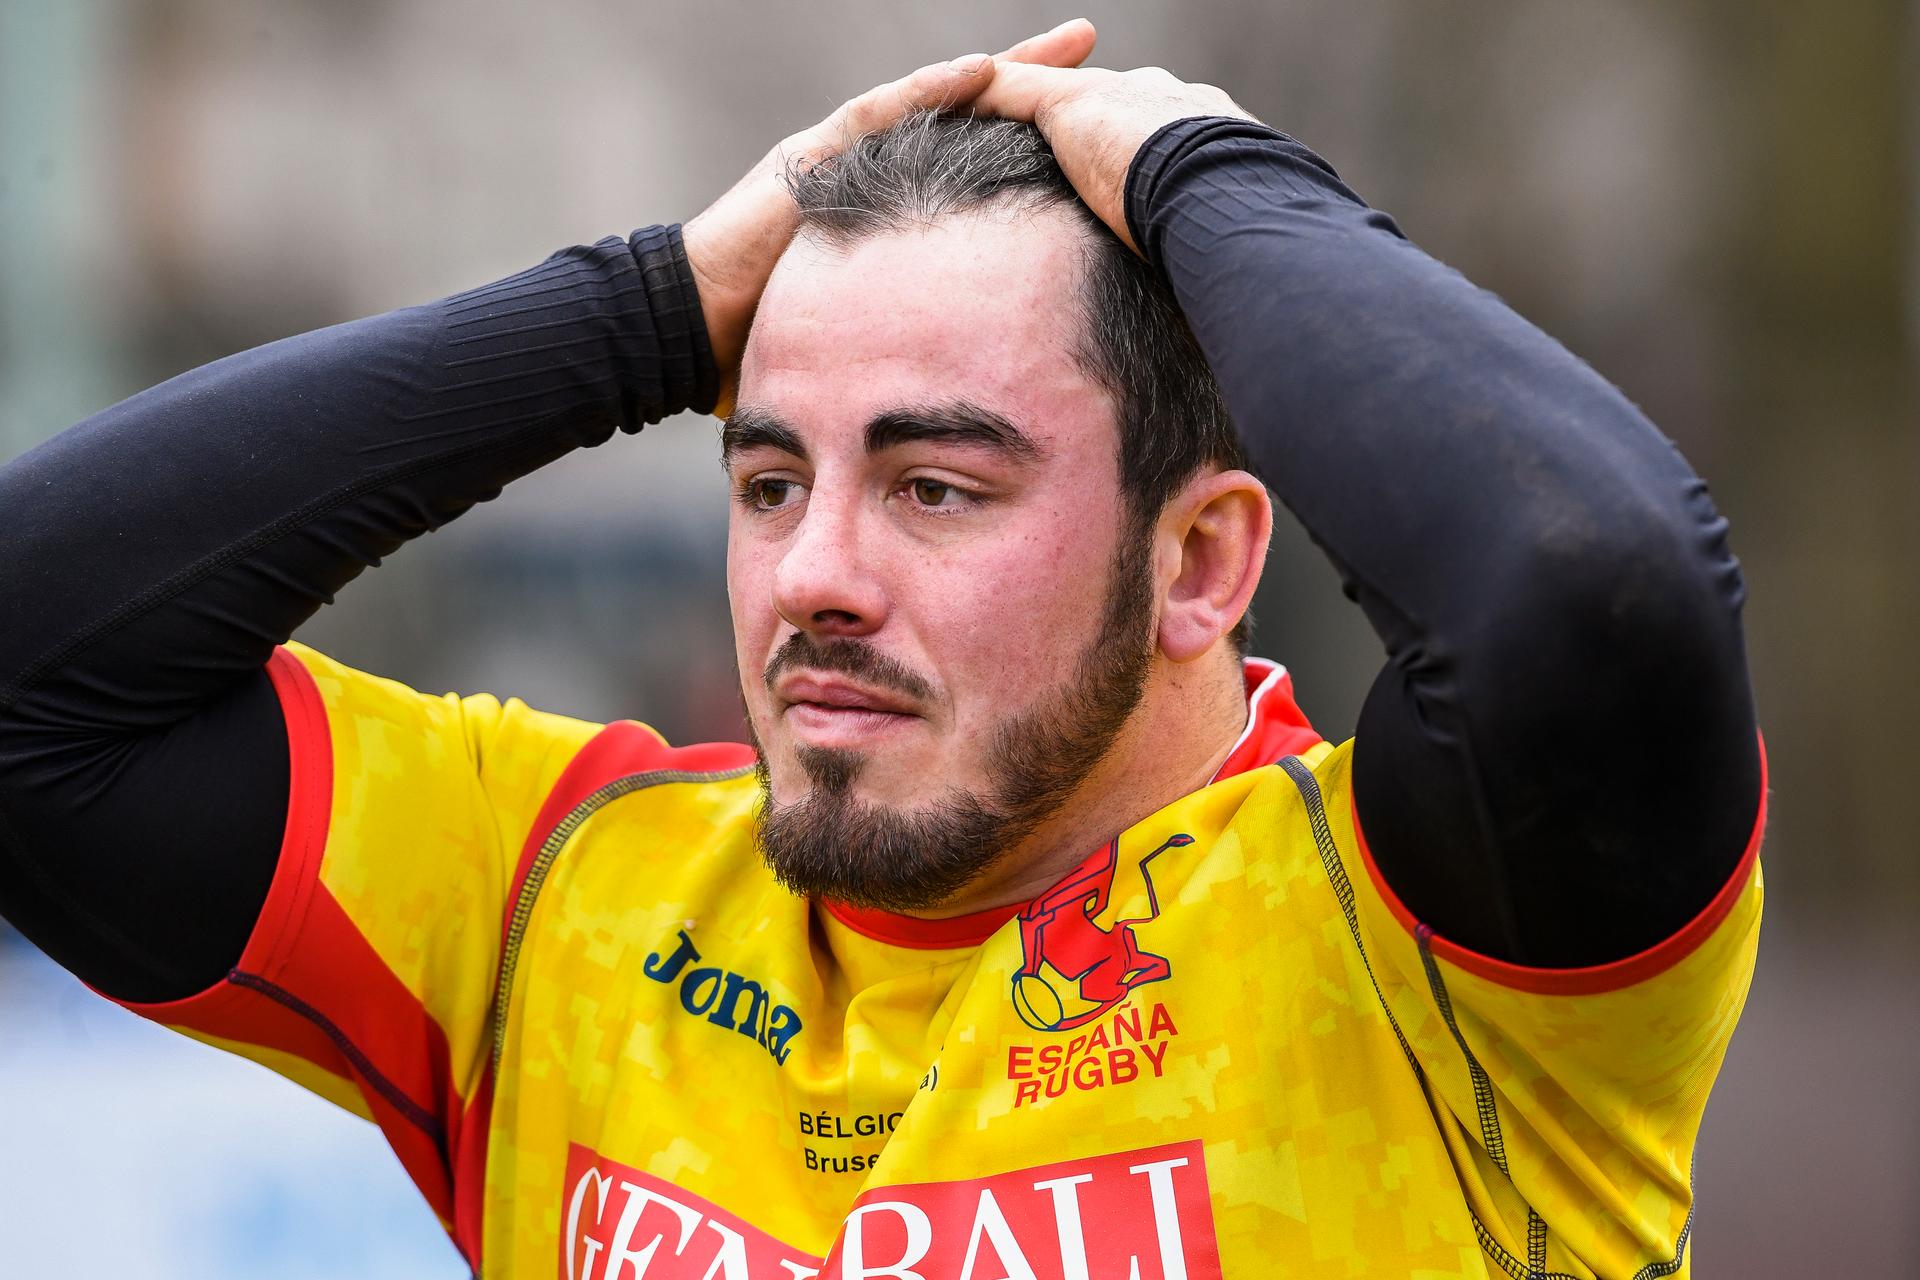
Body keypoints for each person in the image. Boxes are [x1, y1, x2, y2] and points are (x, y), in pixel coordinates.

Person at [0, 17, 1765, 1278]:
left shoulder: (1426, 943)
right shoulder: (556, 897)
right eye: (770, 479)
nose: (812, 575)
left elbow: (1582, 583)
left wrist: (1212, 178)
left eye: (935, 486)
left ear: (1203, 564)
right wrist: (639, 311)